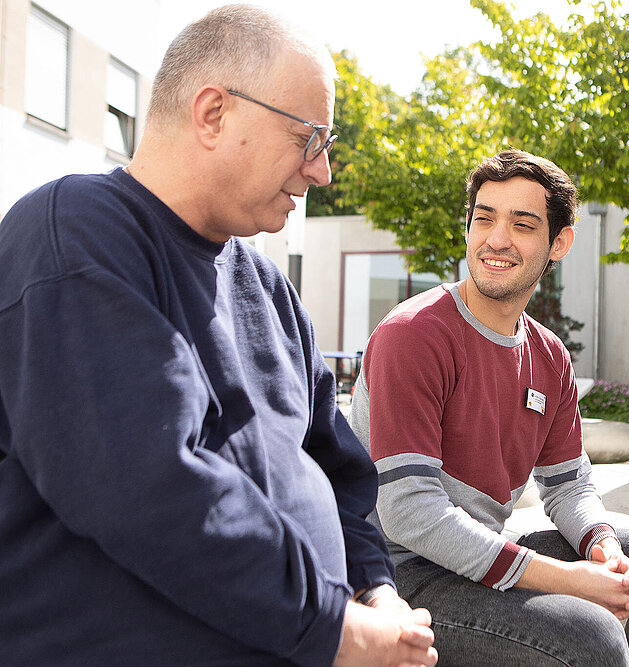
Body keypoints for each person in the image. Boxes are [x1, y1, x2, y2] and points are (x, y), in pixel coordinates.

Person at [0, 6, 435, 667]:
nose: (322, 172)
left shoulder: (269, 287)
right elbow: (150, 489)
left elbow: (338, 466)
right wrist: (337, 631)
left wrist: (377, 590)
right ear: (212, 113)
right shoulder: (74, 236)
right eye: (309, 138)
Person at [349, 149, 629, 666]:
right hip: (398, 573)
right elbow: (407, 514)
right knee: (592, 636)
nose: (496, 239)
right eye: (484, 218)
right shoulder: (413, 336)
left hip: (478, 553)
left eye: (522, 224)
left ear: (559, 242)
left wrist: (604, 551)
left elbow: (569, 485)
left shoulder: (549, 355)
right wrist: (566, 579)